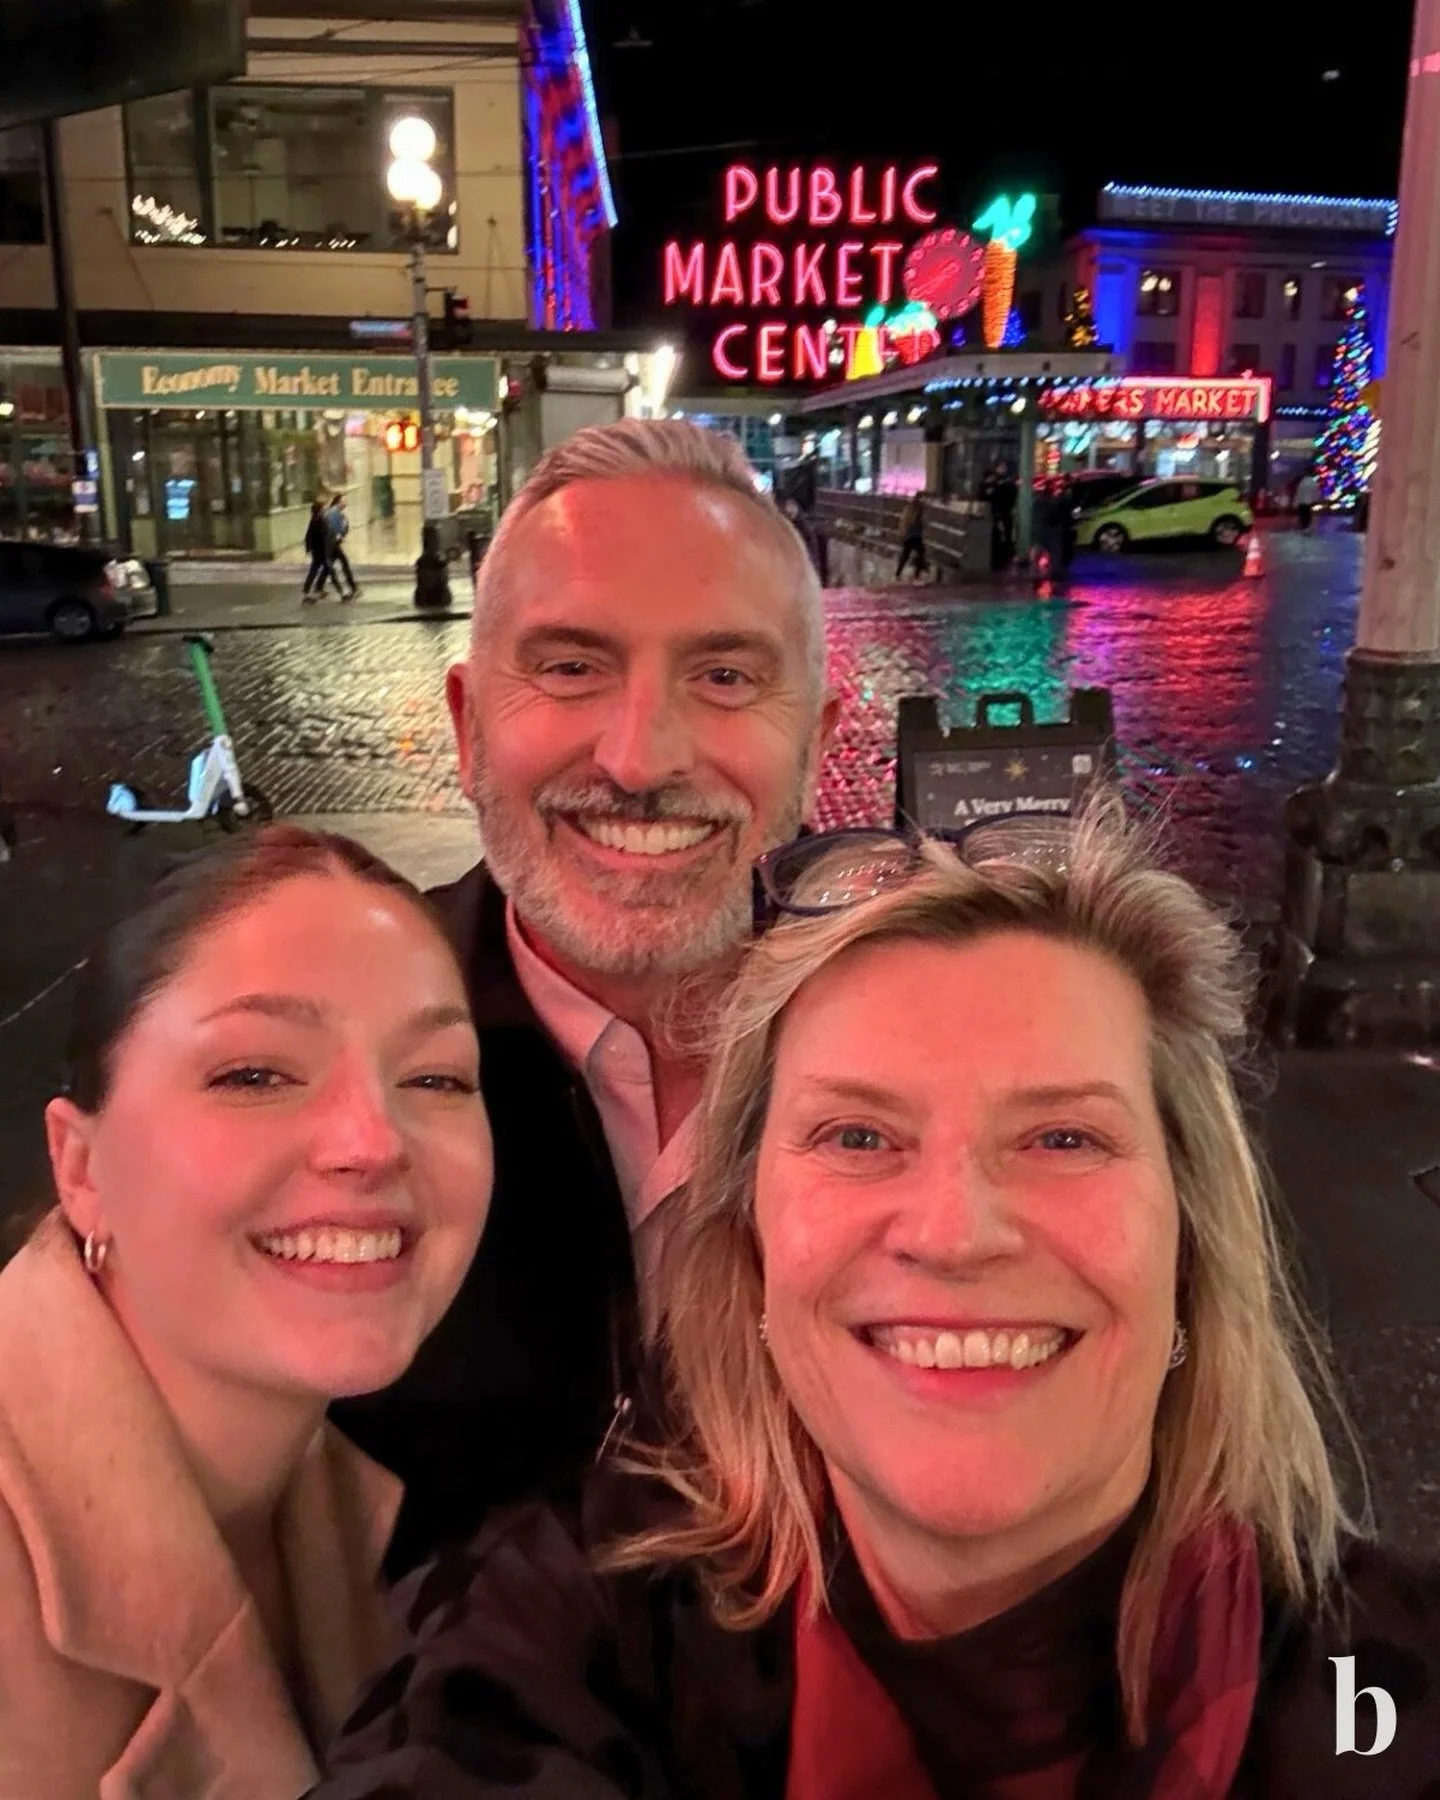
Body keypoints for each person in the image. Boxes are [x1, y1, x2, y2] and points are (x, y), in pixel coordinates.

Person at [317, 805, 1440, 1798]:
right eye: (858, 1136)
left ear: (1191, 1239)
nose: (954, 1233)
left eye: (1062, 1137)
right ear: (748, 1250)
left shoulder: (1391, 1699)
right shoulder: (565, 1639)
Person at [330, 417, 840, 1579]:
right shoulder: (317, 1057)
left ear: (817, 746)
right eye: (569, 667)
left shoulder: (948, 1056)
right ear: (467, 727)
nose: (639, 756)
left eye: (722, 675)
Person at [0, 826, 494, 1799]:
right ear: (82, 1167)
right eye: (256, 1074)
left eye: (434, 1077)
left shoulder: (352, 1506)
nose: (370, 1142)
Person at [980, 459, 1019, 570]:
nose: (1003, 469)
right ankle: (1002, 560)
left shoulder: (1002, 483)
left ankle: (1003, 559)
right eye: (1001, 467)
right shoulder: (999, 483)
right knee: (1001, 537)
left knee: (1004, 536)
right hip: (999, 514)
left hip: (1001, 514)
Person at [326, 492, 361, 600]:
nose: (346, 503)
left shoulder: (336, 513)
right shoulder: (334, 513)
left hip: (332, 544)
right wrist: (339, 535)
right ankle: (347, 589)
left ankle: (351, 588)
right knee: (333, 568)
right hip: (330, 545)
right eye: (344, 501)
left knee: (338, 565)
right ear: (338, 502)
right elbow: (334, 528)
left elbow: (342, 527)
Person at [303, 499, 336, 601]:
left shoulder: (318, 519)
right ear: (319, 509)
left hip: (320, 550)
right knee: (317, 570)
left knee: (322, 569)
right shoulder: (317, 520)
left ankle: (316, 588)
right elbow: (310, 536)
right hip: (319, 551)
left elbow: (309, 536)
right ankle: (309, 590)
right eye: (323, 507)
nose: (325, 509)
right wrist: (309, 548)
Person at [895, 492, 926, 580]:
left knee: (918, 554)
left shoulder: (917, 508)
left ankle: (913, 574)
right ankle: (900, 573)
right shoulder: (912, 509)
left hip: (915, 536)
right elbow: (907, 522)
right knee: (907, 555)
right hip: (911, 536)